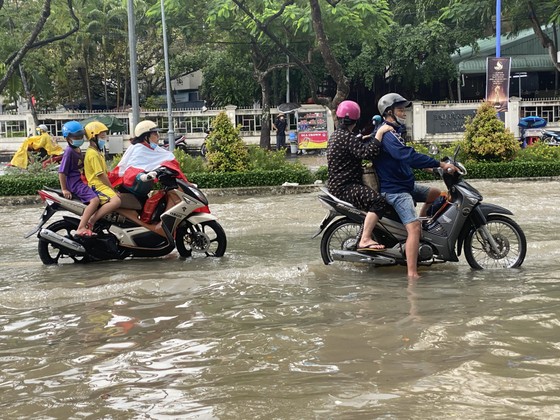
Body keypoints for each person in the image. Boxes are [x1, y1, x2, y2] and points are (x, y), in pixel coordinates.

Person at [374, 93, 457, 279]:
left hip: (405, 185)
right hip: (395, 190)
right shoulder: (387, 134)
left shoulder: (395, 132)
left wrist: (429, 167)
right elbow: (407, 155)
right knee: (413, 229)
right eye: (400, 109)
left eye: (404, 109)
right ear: (389, 112)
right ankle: (412, 273)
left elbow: (402, 160)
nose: (404, 113)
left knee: (436, 194)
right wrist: (440, 164)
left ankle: (422, 230)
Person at [327, 100, 393, 252]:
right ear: (356, 120)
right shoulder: (347, 138)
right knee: (379, 202)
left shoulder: (338, 135)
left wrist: (363, 139)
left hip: (338, 186)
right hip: (346, 188)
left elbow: (353, 147)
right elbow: (368, 153)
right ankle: (365, 239)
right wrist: (380, 133)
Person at [109, 120, 190, 198]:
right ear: (146, 136)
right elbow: (132, 170)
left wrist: (186, 183)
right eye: (155, 134)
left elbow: (170, 161)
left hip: (143, 192)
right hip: (131, 191)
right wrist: (143, 176)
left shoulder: (154, 149)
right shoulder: (138, 149)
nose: (158, 136)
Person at [57, 121, 100, 237]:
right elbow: (61, 172)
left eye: (81, 136)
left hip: (81, 180)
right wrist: (64, 189)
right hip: (75, 184)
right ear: (67, 138)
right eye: (76, 137)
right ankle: (81, 227)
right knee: (95, 200)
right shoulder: (69, 152)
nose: (79, 139)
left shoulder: (78, 149)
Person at [83, 121, 121, 230]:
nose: (105, 138)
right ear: (93, 137)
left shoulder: (98, 152)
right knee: (116, 201)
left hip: (101, 185)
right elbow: (101, 175)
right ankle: (92, 220)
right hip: (97, 186)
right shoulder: (93, 154)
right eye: (102, 136)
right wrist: (112, 189)